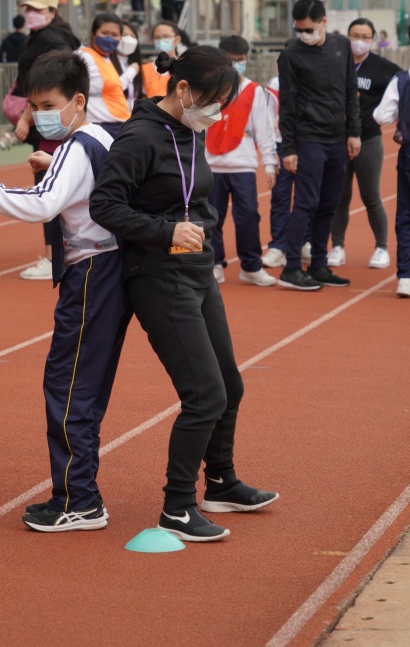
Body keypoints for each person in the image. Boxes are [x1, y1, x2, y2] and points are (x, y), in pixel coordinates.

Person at [0, 51, 132, 532]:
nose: (40, 115)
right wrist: (56, 163)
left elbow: (43, 204)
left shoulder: (77, 147)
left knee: (68, 388)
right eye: (34, 106)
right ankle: (80, 493)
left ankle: (78, 500)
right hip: (109, 269)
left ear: (78, 101)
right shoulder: (98, 137)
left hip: (92, 273)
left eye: (48, 105)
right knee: (84, 388)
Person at [89, 46, 279, 542]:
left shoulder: (191, 128)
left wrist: (197, 236)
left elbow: (192, 197)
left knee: (230, 386)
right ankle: (177, 507)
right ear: (182, 89)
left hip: (197, 271)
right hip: (158, 277)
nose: (217, 111)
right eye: (213, 101)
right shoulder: (140, 137)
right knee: (205, 395)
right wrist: (165, 231)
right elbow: (104, 205)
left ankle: (221, 483)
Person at [277, 0, 361, 291]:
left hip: (337, 138)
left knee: (329, 204)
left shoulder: (342, 46)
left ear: (324, 22)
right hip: (308, 137)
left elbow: (351, 90)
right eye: (299, 30)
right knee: (306, 203)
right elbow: (287, 104)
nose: (304, 35)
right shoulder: (290, 55)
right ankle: (290, 268)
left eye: (309, 30)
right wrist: (289, 148)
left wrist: (354, 132)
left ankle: (319, 265)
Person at [12, 0, 80, 280]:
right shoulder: (49, 37)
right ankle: (63, 253)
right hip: (52, 119)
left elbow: (51, 84)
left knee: (48, 187)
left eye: (38, 9)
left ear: (52, 12)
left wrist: (26, 116)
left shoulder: (52, 41)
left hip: (51, 123)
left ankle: (54, 258)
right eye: (29, 8)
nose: (31, 14)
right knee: (57, 185)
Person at [328, 19, 402, 270]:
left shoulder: (383, 68)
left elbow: (403, 89)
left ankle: (381, 247)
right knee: (339, 196)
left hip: (368, 139)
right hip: (337, 139)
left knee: (371, 196)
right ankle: (337, 246)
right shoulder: (335, 63)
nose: (359, 41)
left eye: (365, 37)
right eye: (355, 35)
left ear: (372, 39)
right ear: (347, 36)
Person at [207, 36, 278, 287]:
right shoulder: (206, 89)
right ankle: (214, 263)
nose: (237, 64)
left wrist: (269, 163)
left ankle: (251, 266)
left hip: (243, 165)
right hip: (211, 165)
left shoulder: (254, 90)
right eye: (232, 60)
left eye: (241, 60)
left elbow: (264, 130)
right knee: (211, 218)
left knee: (248, 216)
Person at [373, 20, 410, 298]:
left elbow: (380, 116)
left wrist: (403, 117)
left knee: (408, 216)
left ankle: (406, 277)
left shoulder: (402, 80)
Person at [261, 71, 312, 269]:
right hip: (282, 144)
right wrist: (272, 149)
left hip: (309, 143)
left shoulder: (316, 75)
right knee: (280, 196)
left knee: (307, 196)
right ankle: (278, 247)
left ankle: (305, 243)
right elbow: (268, 117)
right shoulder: (276, 82)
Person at [78, 13, 132, 140]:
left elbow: (113, 88)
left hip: (117, 125)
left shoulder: (105, 58)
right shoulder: (84, 57)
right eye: (104, 33)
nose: (109, 38)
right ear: (93, 34)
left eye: (115, 35)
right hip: (102, 126)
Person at [141, 21, 182, 98]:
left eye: (166, 36)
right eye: (157, 37)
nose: (161, 41)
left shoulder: (185, 66)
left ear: (177, 40)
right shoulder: (145, 69)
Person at [114, 20, 143, 110]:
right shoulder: (107, 63)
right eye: (125, 35)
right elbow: (114, 89)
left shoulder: (134, 64)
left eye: (133, 36)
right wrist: (131, 72)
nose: (129, 39)